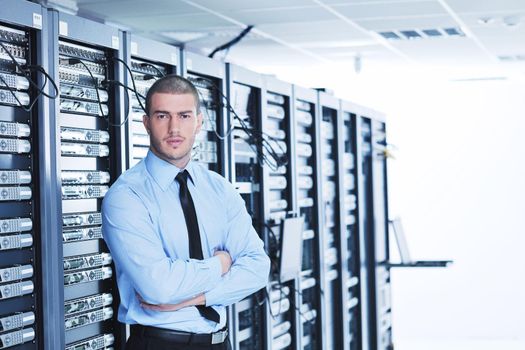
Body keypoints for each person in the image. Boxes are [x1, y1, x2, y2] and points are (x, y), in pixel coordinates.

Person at [102, 74, 270, 350]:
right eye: (162, 116)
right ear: (146, 123)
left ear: (199, 122)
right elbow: (158, 287)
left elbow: (258, 268)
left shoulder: (219, 189)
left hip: (219, 343)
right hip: (159, 344)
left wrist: (194, 299)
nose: (174, 128)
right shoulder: (126, 197)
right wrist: (220, 265)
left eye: (183, 116)